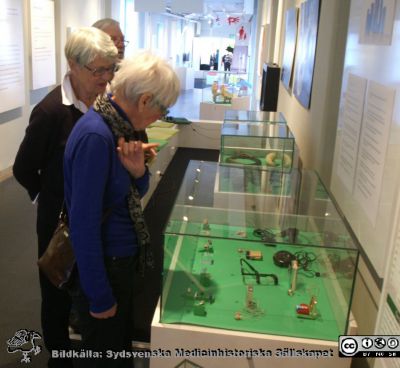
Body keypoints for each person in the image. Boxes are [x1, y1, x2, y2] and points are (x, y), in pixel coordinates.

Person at [63, 52, 180, 366]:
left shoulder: (117, 128)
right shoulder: (96, 136)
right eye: (163, 108)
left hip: (119, 260)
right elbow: (83, 227)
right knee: (105, 354)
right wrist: (100, 296)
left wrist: (138, 172)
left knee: (118, 349)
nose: (162, 116)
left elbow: (129, 195)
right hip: (106, 266)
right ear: (144, 101)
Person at [13, 27, 118, 368]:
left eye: (109, 69)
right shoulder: (50, 112)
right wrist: (49, 198)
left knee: (90, 285)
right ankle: (59, 357)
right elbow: (23, 168)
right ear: (73, 64)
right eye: (98, 70)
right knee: (56, 292)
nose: (106, 79)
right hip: (58, 223)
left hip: (95, 219)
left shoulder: (105, 102)